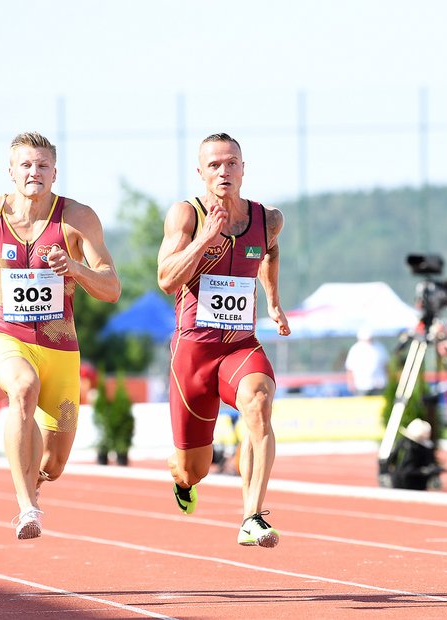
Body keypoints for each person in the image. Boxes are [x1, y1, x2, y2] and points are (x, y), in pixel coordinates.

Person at [0, 131, 121, 540]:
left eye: (43, 165)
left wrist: (74, 267)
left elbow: (111, 288)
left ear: (55, 172)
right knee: (22, 388)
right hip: (6, 336)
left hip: (61, 347)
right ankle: (26, 508)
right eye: (26, 165)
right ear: (11, 171)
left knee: (53, 464)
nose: (34, 172)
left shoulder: (78, 218)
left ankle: (35, 484)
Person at [156, 132, 291, 548]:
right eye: (214, 165)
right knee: (194, 467)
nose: (224, 171)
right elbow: (165, 279)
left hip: (239, 345)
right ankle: (183, 477)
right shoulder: (186, 215)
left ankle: (252, 516)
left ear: (243, 168)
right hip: (193, 352)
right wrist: (203, 239)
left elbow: (270, 251)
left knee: (259, 403)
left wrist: (273, 302)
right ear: (201, 173)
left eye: (231, 163)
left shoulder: (267, 218)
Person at [345, 327, 389, 396]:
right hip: (362, 385)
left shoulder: (380, 347)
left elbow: (386, 365)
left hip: (379, 384)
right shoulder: (355, 349)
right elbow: (350, 368)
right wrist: (351, 383)